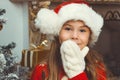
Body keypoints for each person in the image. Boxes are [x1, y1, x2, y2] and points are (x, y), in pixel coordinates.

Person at [31, 0, 107, 80]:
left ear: (89, 36)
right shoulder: (41, 70)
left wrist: (77, 74)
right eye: (68, 29)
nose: (74, 36)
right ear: (58, 34)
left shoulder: (97, 68)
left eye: (82, 30)